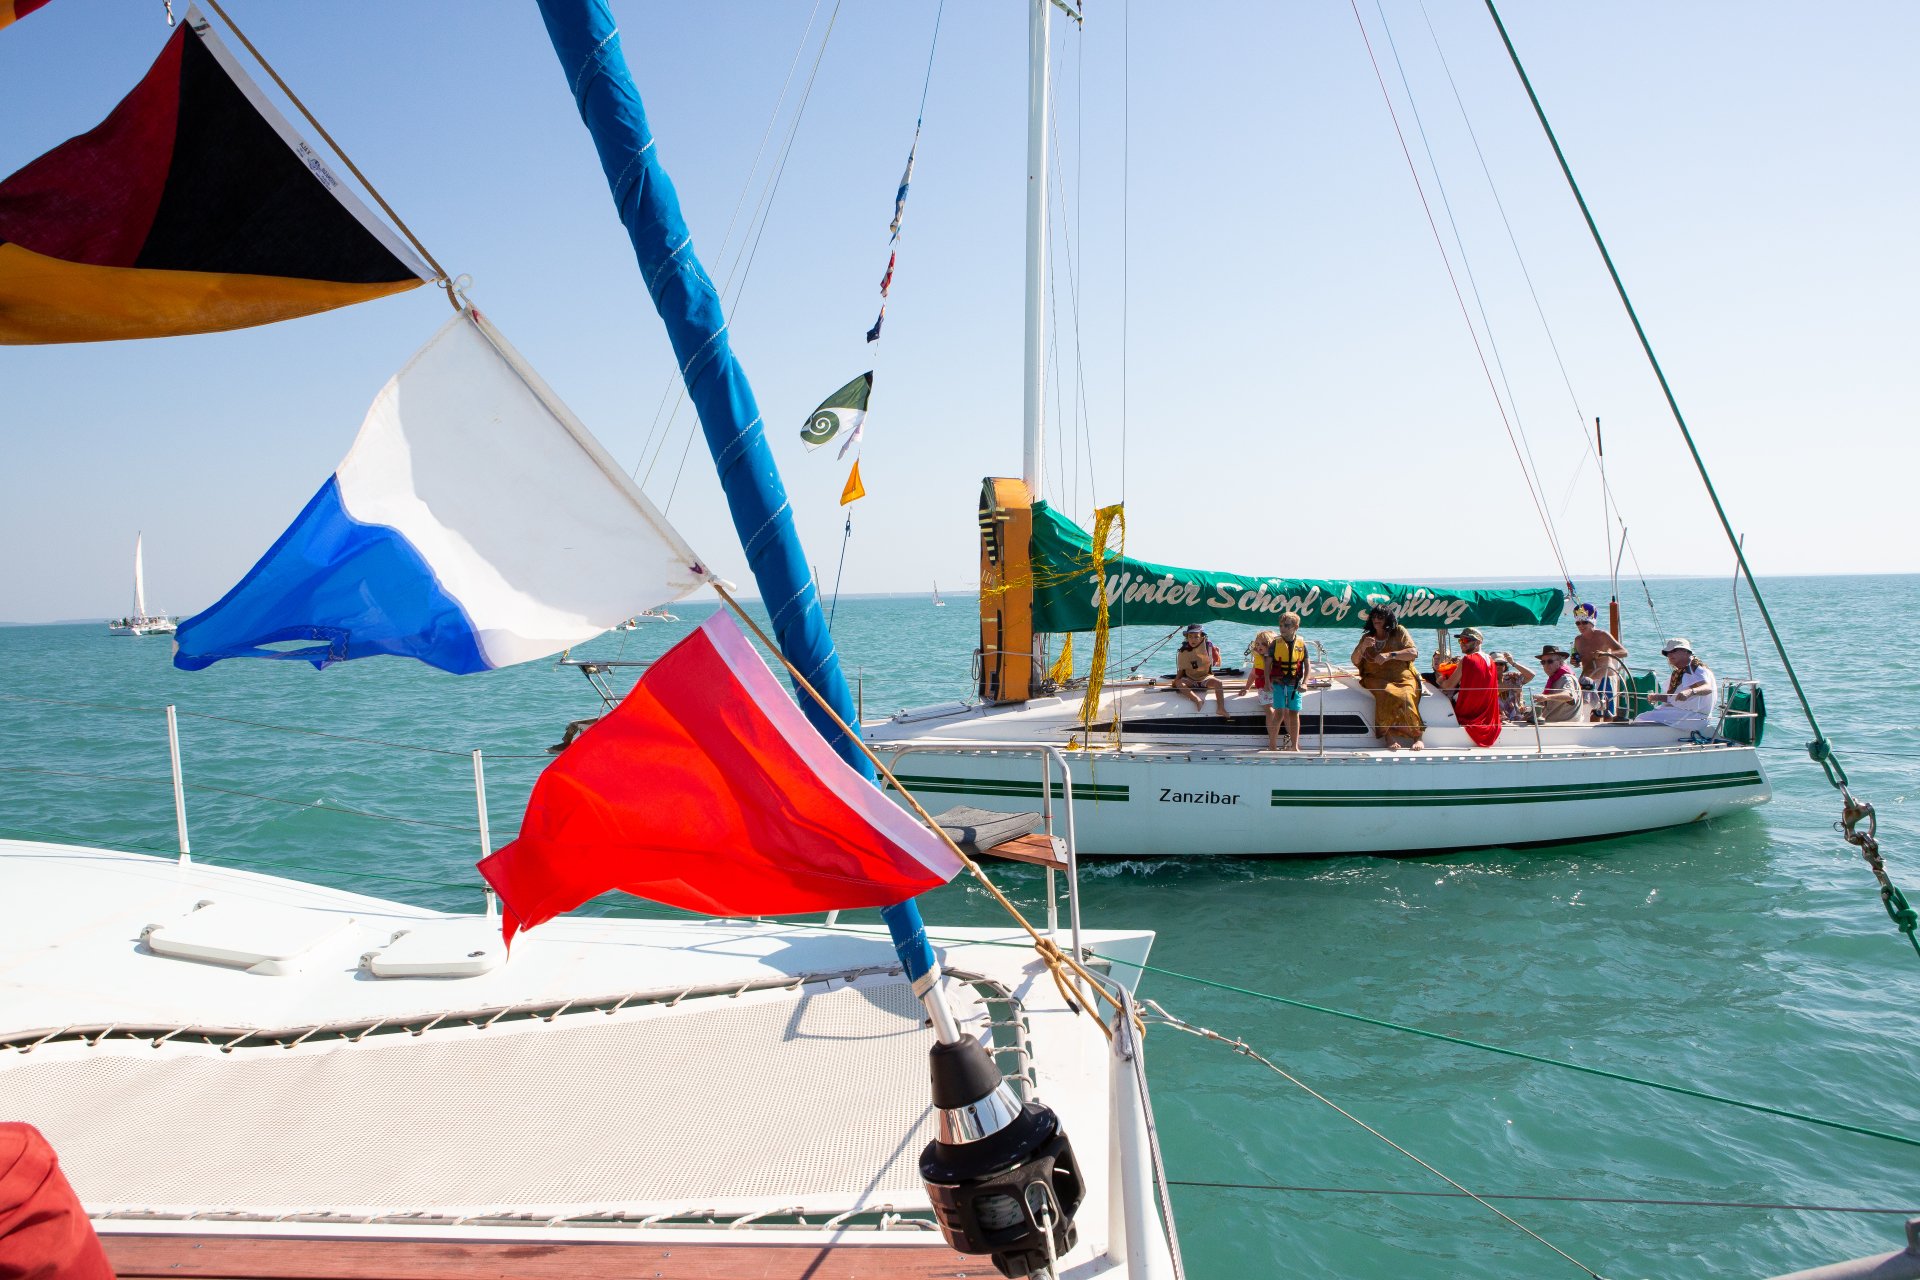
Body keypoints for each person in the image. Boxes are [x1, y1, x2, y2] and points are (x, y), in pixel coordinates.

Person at [1352, 604, 1424, 750]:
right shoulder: (1367, 638)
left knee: (1406, 696)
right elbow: (1355, 660)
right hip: (1375, 676)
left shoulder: (1399, 632)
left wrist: (1391, 655)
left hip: (1401, 676)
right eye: (1373, 617)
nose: (1376, 620)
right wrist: (1362, 647)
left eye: (1380, 617)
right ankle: (1388, 736)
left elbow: (1413, 652)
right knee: (1385, 693)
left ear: (1388, 619)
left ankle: (1418, 736)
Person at [1439, 626, 1502, 747]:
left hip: (1468, 714)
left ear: (1478, 642)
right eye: (1460, 641)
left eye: (1466, 641)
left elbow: (1448, 686)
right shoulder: (1491, 661)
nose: (1462, 644)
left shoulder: (1468, 659)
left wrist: (1441, 680)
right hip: (1488, 717)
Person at [1634, 637, 1717, 729]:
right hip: (1688, 714)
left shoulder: (1693, 669)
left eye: (1674, 651)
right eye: (1667, 653)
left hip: (1694, 717)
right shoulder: (1683, 670)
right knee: (1645, 716)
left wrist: (1690, 691)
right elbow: (1676, 698)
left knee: (1641, 719)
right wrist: (1657, 697)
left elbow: (1708, 688)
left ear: (1686, 651)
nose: (1669, 654)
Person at [1571, 603, 1630, 720]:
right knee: (1589, 713)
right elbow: (1579, 661)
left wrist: (1607, 654)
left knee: (1607, 713)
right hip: (1588, 681)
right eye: (1578, 623)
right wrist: (1575, 662)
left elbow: (1624, 652)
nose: (1581, 626)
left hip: (1605, 678)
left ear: (1592, 622)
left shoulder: (1603, 635)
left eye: (1584, 622)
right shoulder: (1578, 640)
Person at [1262, 612, 1309, 751]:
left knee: (1294, 712)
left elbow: (1307, 665)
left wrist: (1305, 682)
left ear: (1296, 627)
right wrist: (1266, 681)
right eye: (1281, 626)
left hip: (1295, 684)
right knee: (1279, 712)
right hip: (1278, 683)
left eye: (1287, 626)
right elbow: (1267, 664)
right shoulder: (1275, 644)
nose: (1283, 629)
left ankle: (1294, 746)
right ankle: (1272, 745)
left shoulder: (1301, 643)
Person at [1172, 623, 1228, 717]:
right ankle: (1197, 700)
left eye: (1196, 637)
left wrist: (1217, 653)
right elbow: (1181, 670)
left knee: (1219, 683)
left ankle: (1221, 708)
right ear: (1187, 637)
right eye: (1190, 637)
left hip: (1205, 678)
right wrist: (1175, 681)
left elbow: (1216, 663)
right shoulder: (1183, 651)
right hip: (1190, 679)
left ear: (1202, 637)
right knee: (1179, 683)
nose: (1193, 639)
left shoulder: (1207, 647)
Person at [1533, 644, 1583, 723]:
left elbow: (1569, 696)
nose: (1546, 665)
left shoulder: (1566, 678)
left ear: (1560, 663)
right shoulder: (1554, 679)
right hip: (1553, 723)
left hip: (1563, 725)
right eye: (1543, 662)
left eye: (1550, 661)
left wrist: (1546, 697)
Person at [1495, 651, 1535, 722]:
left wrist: (1513, 663)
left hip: (1517, 717)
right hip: (1497, 717)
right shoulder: (1486, 679)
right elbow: (1493, 689)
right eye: (1495, 664)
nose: (1498, 666)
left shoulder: (1512, 676)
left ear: (1505, 666)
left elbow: (1531, 675)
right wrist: (1513, 686)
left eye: (1501, 664)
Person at [1240, 630, 1276, 696]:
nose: (1259, 646)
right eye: (1257, 644)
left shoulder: (1277, 658)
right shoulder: (1258, 658)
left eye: (1263, 644)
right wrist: (1247, 688)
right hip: (1263, 688)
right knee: (1267, 705)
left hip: (1277, 688)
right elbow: (1253, 674)